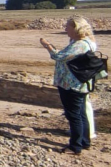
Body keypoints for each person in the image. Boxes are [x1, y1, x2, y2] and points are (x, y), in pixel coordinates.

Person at [40, 16, 98, 155]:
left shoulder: (79, 44)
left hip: (71, 85)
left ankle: (75, 145)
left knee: (74, 115)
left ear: (76, 28)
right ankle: (85, 141)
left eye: (68, 27)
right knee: (82, 113)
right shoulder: (85, 42)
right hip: (79, 84)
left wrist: (47, 46)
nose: (65, 29)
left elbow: (58, 56)